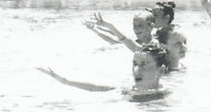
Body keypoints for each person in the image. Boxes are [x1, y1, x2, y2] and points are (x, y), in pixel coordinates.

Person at [37, 42, 171, 100]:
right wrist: (66, 81)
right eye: (134, 64)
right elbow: (96, 88)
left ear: (160, 71)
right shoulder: (127, 90)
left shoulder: (165, 95)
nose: (136, 69)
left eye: (144, 64)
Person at [85, 10, 155, 51]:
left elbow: (136, 48)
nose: (136, 29)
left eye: (140, 25)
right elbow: (114, 41)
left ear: (151, 26)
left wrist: (110, 26)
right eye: (134, 25)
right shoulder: (138, 41)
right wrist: (94, 30)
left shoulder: (155, 45)